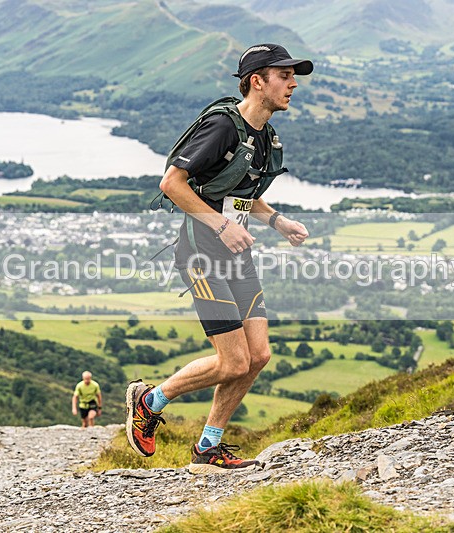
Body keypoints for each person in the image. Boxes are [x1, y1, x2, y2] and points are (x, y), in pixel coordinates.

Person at [126, 44, 312, 474]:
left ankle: (208, 447)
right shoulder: (222, 127)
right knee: (233, 361)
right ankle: (150, 401)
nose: (293, 83)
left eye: (293, 75)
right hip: (201, 253)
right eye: (283, 75)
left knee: (259, 355)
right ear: (256, 81)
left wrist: (276, 220)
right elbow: (172, 182)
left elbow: (243, 192)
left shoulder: (264, 134)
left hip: (235, 254)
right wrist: (222, 225)